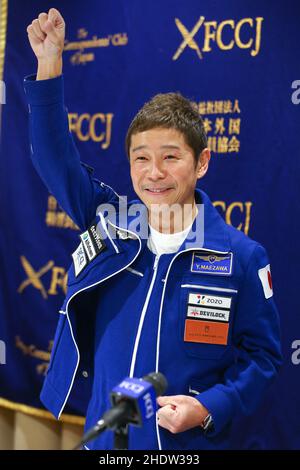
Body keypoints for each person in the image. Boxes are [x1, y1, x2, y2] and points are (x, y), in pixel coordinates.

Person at [24, 8, 282, 450]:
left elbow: (263, 358)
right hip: (104, 442)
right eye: (141, 158)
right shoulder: (110, 222)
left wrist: (209, 408)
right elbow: (54, 161)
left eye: (171, 157)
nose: (154, 173)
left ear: (201, 163)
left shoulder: (240, 256)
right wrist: (49, 66)